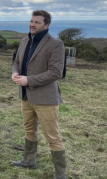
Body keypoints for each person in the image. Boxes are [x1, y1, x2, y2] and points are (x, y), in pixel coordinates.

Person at [11, 10, 66, 179]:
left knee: (52, 136)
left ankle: (60, 174)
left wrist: (29, 80)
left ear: (46, 25)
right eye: (31, 21)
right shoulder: (24, 41)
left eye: (37, 22)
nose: (32, 24)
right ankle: (29, 161)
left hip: (45, 98)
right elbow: (16, 62)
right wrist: (15, 73)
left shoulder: (55, 44)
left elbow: (56, 72)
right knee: (29, 130)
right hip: (26, 96)